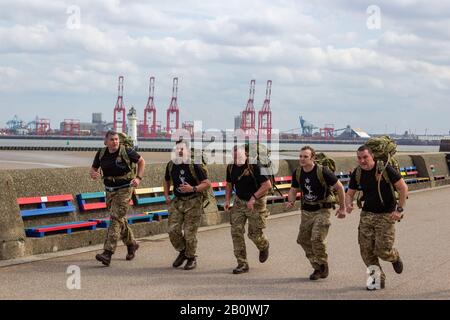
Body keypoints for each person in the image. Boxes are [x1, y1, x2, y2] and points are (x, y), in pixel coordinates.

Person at [345, 145, 408, 290]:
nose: (362, 161)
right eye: (359, 158)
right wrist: (348, 204)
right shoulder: (358, 172)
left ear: (372, 156)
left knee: (383, 251)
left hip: (386, 214)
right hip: (367, 214)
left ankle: (394, 257)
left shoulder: (385, 170)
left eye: (365, 157)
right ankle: (376, 280)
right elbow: (350, 193)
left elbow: (403, 188)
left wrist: (399, 210)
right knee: (366, 251)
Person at [286, 146, 346, 280]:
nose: (302, 159)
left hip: (322, 210)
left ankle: (323, 263)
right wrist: (290, 201)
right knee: (302, 240)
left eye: (305, 156)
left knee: (316, 238)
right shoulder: (298, 172)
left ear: (313, 158)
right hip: (306, 211)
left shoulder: (322, 171)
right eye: (300, 156)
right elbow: (293, 189)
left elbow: (340, 187)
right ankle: (317, 267)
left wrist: (342, 208)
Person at [90, 130, 145, 266]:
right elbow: (93, 169)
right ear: (106, 141)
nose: (115, 142)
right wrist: (93, 174)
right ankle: (131, 244)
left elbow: (141, 161)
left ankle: (107, 253)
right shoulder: (101, 153)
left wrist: (138, 178)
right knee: (119, 219)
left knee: (115, 218)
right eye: (112, 139)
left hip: (125, 188)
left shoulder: (126, 151)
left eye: (116, 139)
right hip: (109, 190)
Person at [164, 139, 211, 270]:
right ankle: (183, 251)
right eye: (177, 149)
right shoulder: (171, 165)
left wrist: (193, 188)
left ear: (188, 151)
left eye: (182, 149)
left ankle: (191, 257)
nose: (179, 151)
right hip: (178, 201)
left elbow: (207, 183)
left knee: (190, 233)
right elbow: (166, 180)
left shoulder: (194, 165)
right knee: (172, 230)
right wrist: (166, 194)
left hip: (193, 201)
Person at [224, 144, 272, 274]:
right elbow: (229, 184)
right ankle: (242, 263)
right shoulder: (230, 167)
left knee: (254, 234)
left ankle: (264, 245)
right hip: (240, 201)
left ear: (246, 155)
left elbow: (267, 185)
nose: (237, 160)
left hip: (256, 202)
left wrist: (253, 197)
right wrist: (227, 200)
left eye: (239, 157)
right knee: (236, 231)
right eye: (234, 158)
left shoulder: (255, 166)